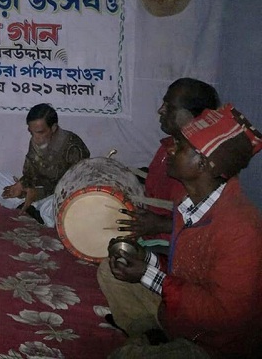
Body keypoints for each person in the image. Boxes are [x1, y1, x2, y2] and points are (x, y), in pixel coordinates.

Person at [97, 104, 262, 358]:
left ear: (203, 164)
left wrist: (148, 275)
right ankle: (152, 334)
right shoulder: (190, 201)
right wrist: (146, 258)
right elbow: (185, 270)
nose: (170, 149)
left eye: (181, 147)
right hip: (177, 318)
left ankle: (152, 341)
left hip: (213, 343)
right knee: (110, 270)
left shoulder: (241, 230)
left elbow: (225, 315)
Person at [119, 78, 220, 242]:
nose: (160, 110)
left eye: (170, 107)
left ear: (193, 116)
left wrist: (161, 224)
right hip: (150, 235)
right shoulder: (170, 145)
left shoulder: (201, 160)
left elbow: (209, 220)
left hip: (172, 246)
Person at [0, 103, 90, 227]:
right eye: (32, 132)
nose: (35, 137)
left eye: (40, 132)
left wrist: (38, 193)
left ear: (53, 128)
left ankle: (34, 210)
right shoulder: (37, 141)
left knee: (57, 210)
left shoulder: (72, 146)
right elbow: (30, 172)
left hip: (57, 195)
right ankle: (29, 207)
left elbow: (73, 185)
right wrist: (22, 185)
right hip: (35, 192)